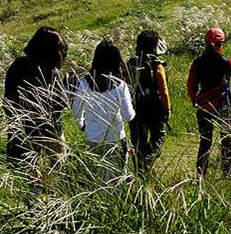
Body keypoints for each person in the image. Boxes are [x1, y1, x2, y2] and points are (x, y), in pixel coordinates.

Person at [3, 27, 69, 193]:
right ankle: (52, 197)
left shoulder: (17, 66)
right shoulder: (52, 71)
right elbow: (60, 103)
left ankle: (36, 201)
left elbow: (8, 101)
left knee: (32, 172)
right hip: (51, 130)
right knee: (57, 163)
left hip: (25, 130)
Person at [187, 28, 231, 177]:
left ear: (206, 43)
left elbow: (191, 86)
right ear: (221, 43)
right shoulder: (227, 63)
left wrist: (195, 101)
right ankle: (227, 171)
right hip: (223, 104)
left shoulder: (197, 63)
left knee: (205, 139)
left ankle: (201, 173)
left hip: (204, 107)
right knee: (226, 138)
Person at [73, 39, 135, 184]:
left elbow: (76, 111)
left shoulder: (84, 82)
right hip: (116, 138)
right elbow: (128, 116)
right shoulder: (120, 85)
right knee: (118, 179)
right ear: (116, 61)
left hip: (93, 138)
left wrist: (82, 125)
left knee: (99, 178)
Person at [127, 30, 171, 174]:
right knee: (159, 136)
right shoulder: (156, 64)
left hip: (134, 108)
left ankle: (140, 171)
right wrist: (167, 109)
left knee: (138, 140)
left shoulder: (130, 64)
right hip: (154, 108)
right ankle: (148, 159)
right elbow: (163, 89)